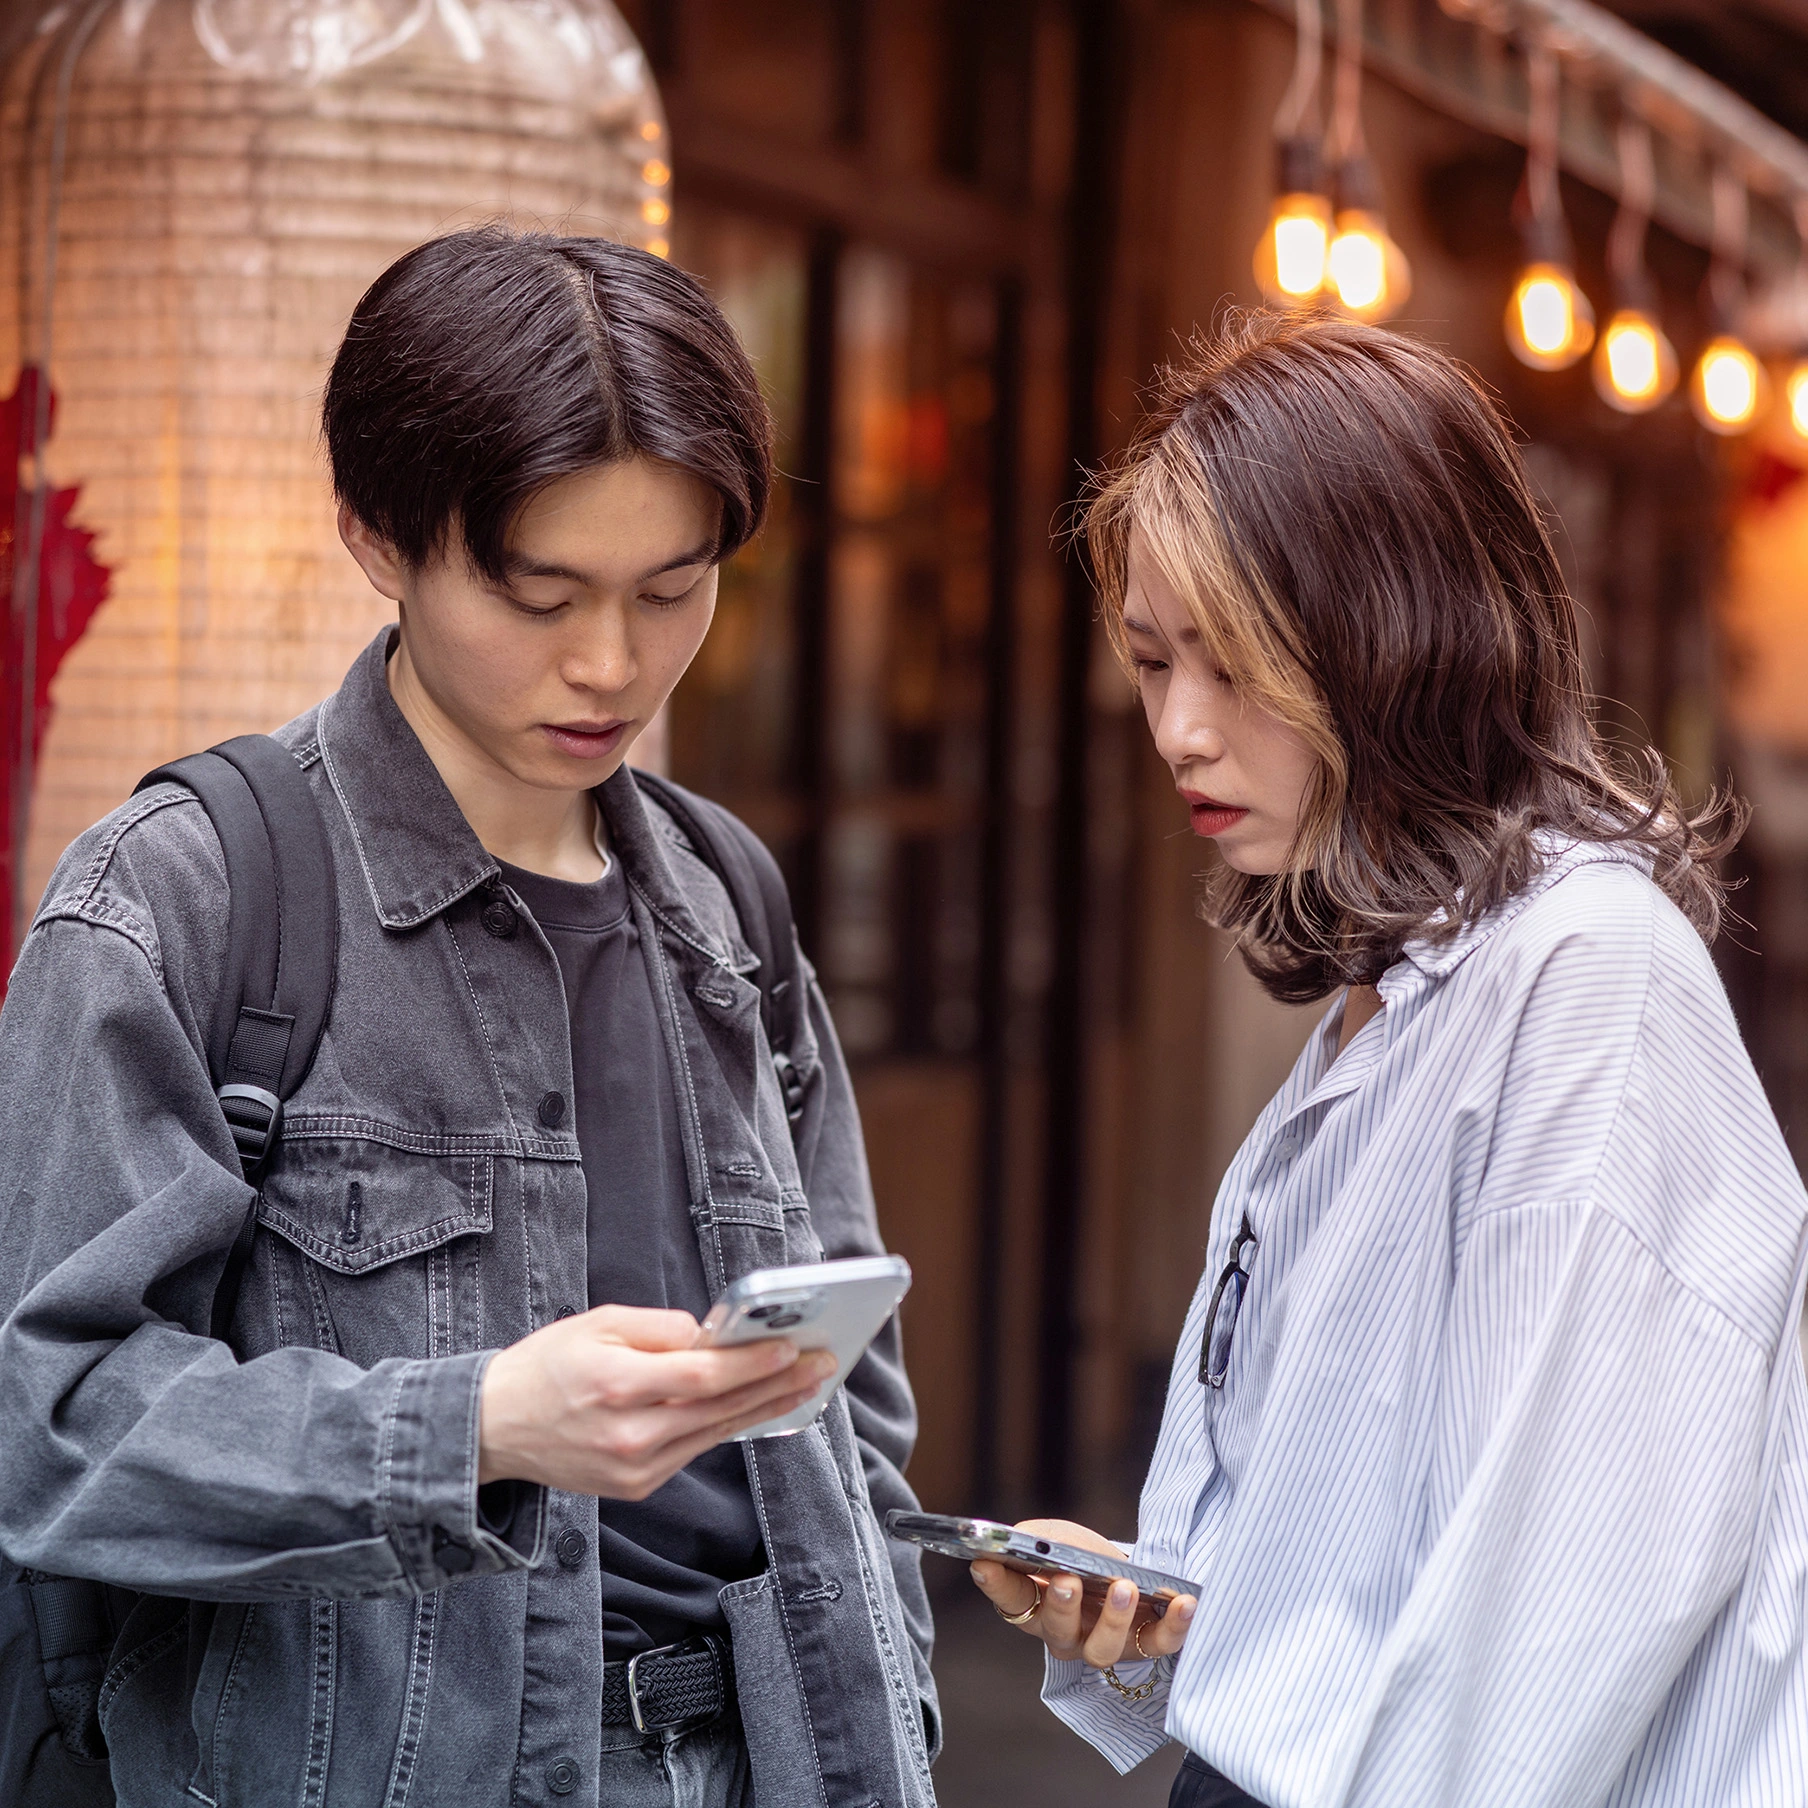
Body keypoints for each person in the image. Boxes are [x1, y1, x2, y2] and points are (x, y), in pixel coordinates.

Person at [0, 227, 938, 1808]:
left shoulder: (726, 898)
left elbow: (856, 1412)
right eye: (540, 590)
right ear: (378, 533)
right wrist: (480, 1423)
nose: (612, 662)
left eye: (672, 588)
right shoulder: (189, 897)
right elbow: (58, 1423)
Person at [971, 310, 1808, 1808]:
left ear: (1394, 637)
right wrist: (1172, 1606)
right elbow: (1374, 1538)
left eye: (1229, 667)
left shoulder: (1583, 972)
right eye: (1155, 664)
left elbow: (1569, 1601)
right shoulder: (1408, 982)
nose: (1177, 729)